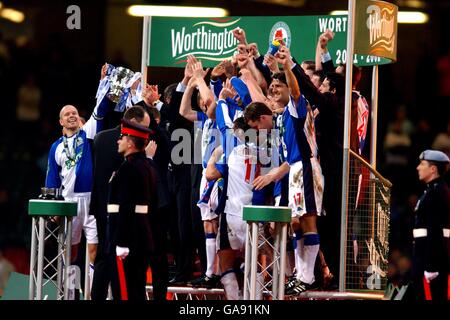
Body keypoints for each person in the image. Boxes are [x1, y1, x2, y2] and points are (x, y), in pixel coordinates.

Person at [45, 93, 112, 295]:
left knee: (94, 250)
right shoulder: (55, 147)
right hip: (68, 202)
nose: (72, 116)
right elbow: (52, 179)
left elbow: (99, 111)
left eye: (74, 112)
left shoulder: (87, 135)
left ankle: (94, 294)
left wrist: (104, 86)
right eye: (67, 114)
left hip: (91, 200)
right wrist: (54, 207)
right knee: (69, 251)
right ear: (61, 121)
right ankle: (70, 293)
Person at [90, 105, 151, 300]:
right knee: (125, 271)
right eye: (143, 128)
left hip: (102, 209)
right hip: (125, 218)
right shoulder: (133, 162)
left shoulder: (100, 139)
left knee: (103, 257)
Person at [107, 119, 157, 300]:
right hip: (140, 236)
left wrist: (121, 242)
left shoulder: (129, 168)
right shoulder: (146, 166)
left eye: (122, 137)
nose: (118, 141)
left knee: (126, 293)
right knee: (136, 290)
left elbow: (126, 207)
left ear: (130, 141)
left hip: (128, 239)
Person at [412, 149, 450, 301]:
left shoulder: (438, 192)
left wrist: (431, 266)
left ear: (433, 169)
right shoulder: (431, 191)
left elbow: (436, 231)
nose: (418, 167)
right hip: (425, 259)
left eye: (422, 164)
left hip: (432, 263)